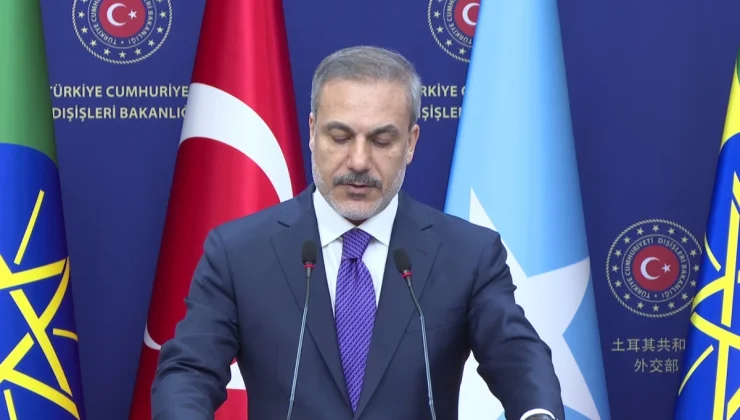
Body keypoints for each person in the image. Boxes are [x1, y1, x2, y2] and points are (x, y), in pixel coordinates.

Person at [151, 45, 564, 420]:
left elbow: (516, 356)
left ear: (411, 143)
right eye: (340, 137)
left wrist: (538, 414)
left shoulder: (467, 254)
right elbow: (189, 370)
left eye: (382, 141)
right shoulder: (240, 252)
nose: (359, 161)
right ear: (312, 132)